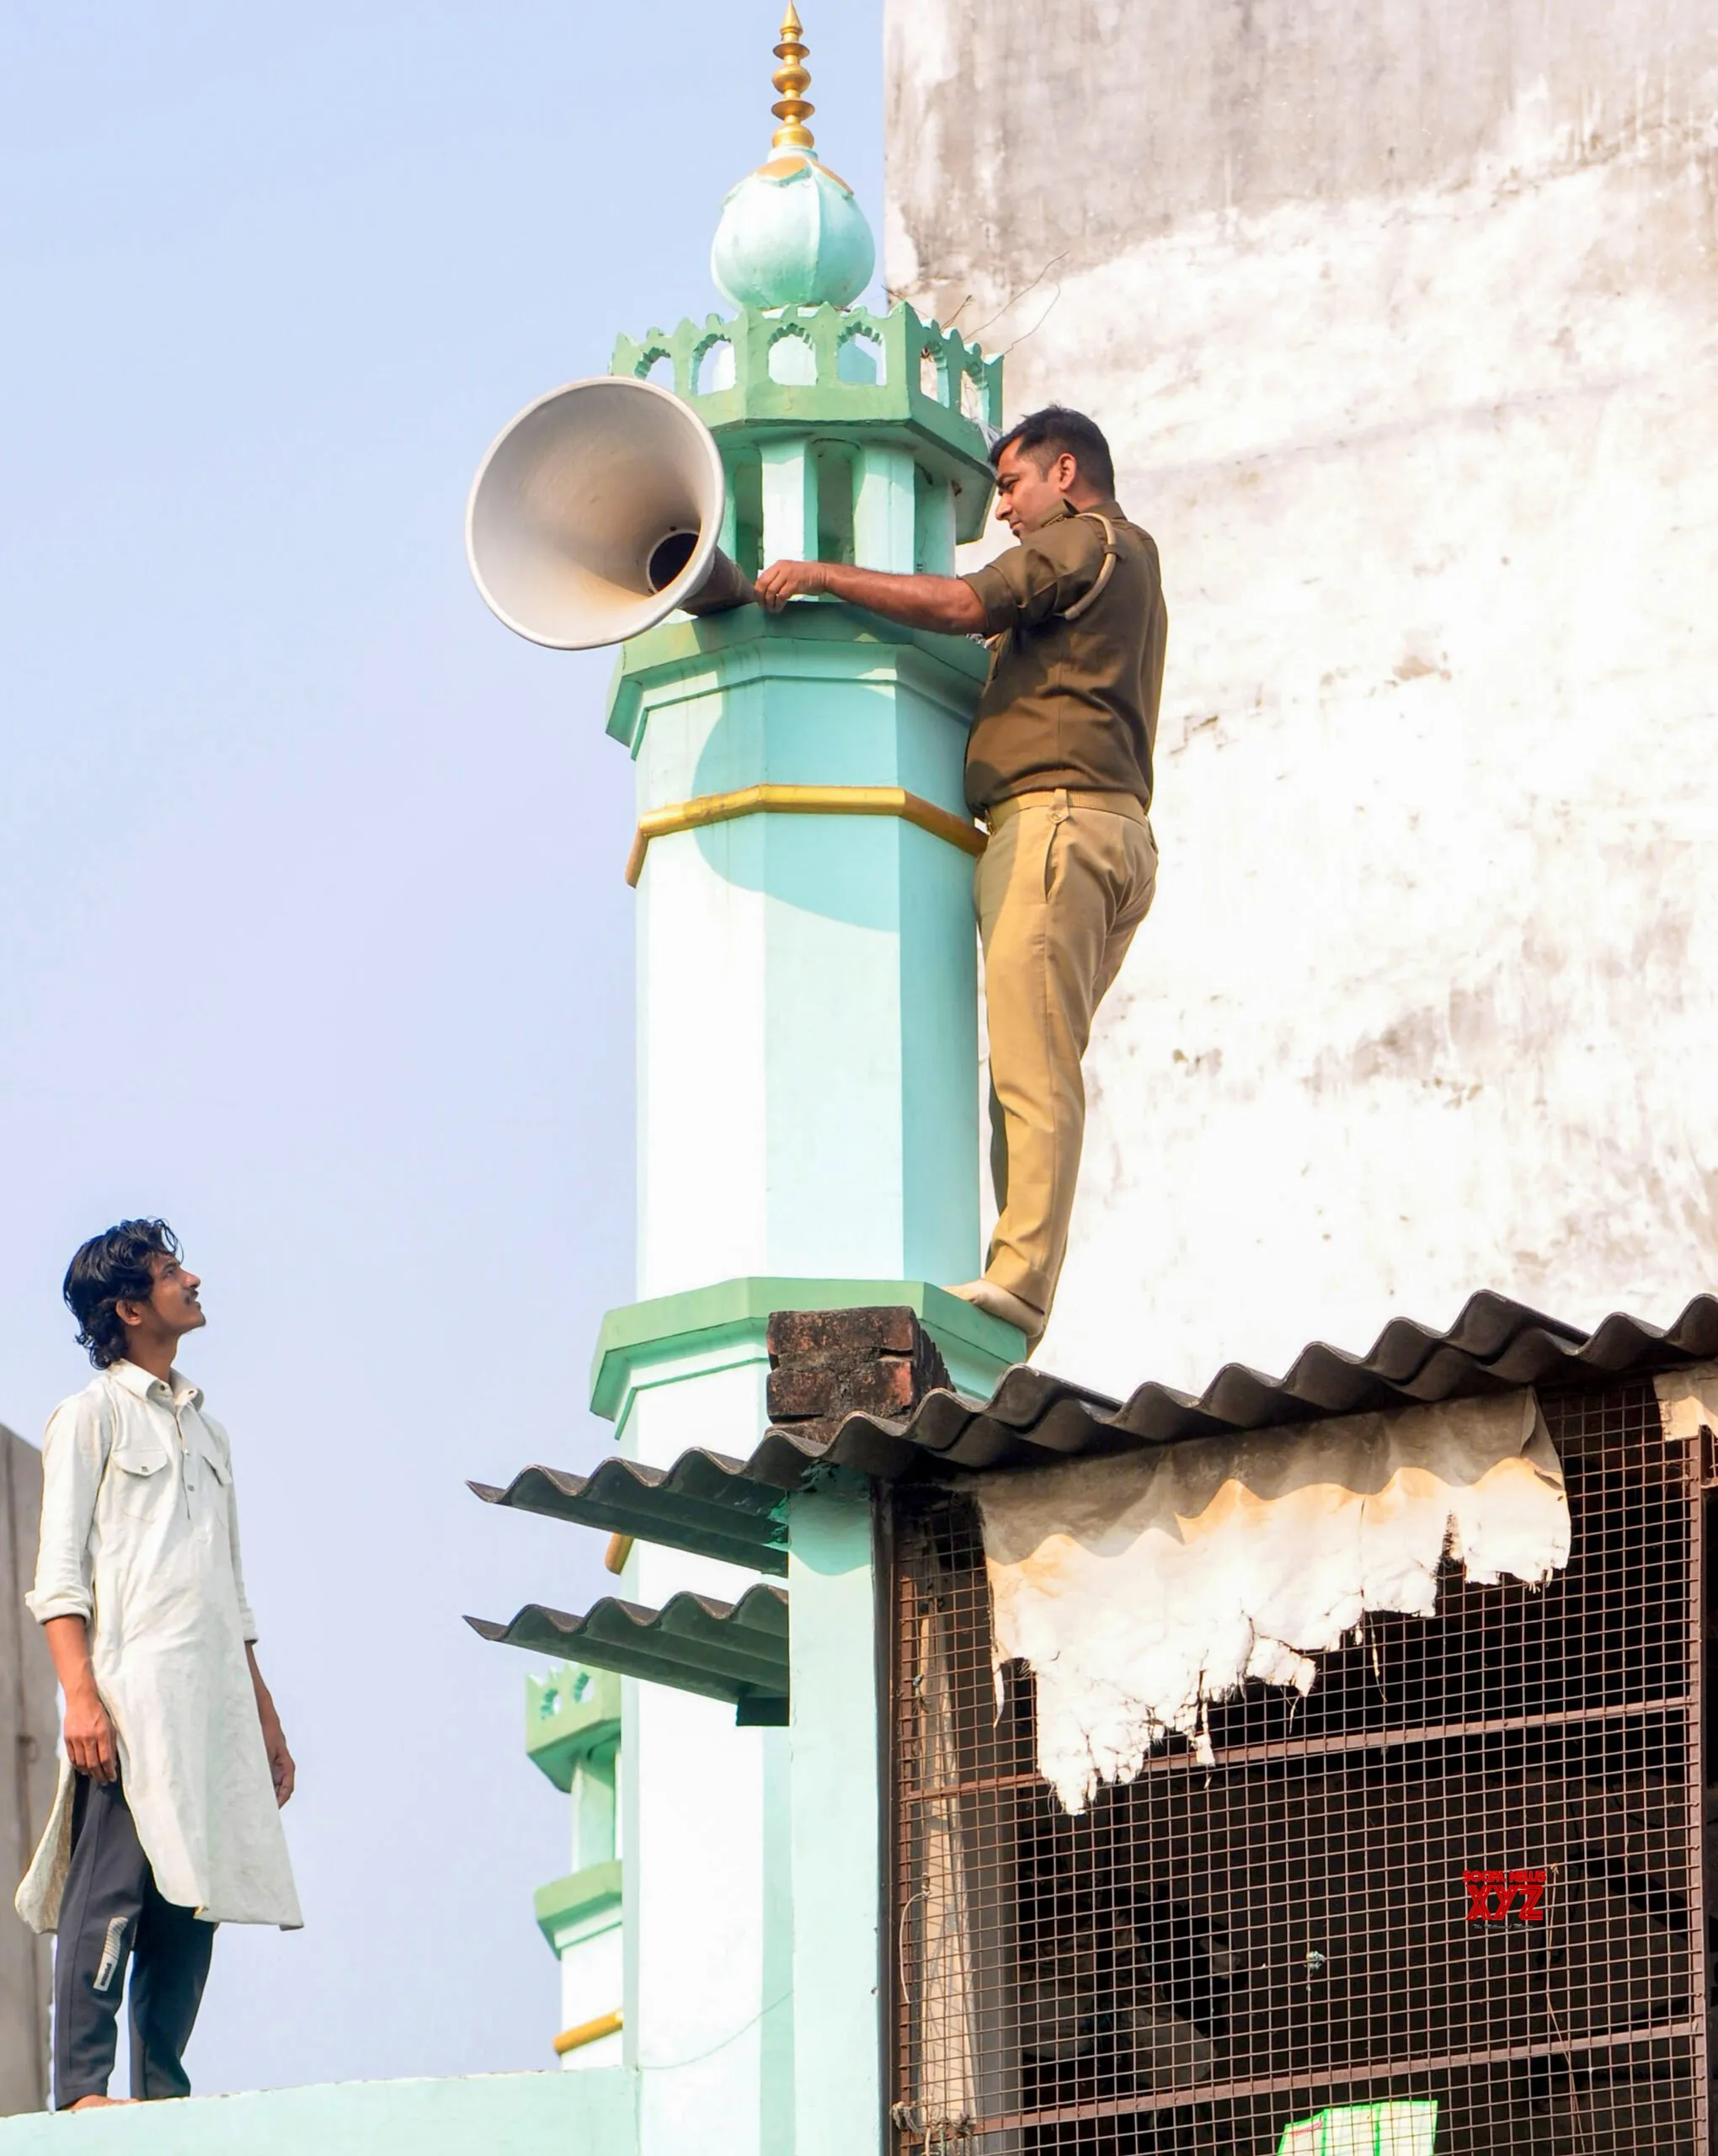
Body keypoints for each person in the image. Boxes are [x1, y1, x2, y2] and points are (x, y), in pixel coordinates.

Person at [756, 406, 1166, 1348]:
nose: (1006, 511)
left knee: (1032, 1069)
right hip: (1108, 833)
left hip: (1058, 824)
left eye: (1013, 486)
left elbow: (962, 603)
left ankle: (1019, 1284)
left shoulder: (1086, 540)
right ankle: (1014, 1275)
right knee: (1028, 1065)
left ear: (1066, 473)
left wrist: (822, 575)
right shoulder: (1129, 563)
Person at [15, 1219, 301, 2111]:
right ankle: (83, 2091)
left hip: (209, 1707)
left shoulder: (210, 1433)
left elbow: (231, 1593)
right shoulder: (90, 1416)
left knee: (190, 1904)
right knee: (112, 1895)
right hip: (129, 1703)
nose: (195, 1279)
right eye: (173, 1271)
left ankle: (164, 2094)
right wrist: (81, 1698)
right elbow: (59, 1578)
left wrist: (263, 1715)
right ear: (131, 1308)